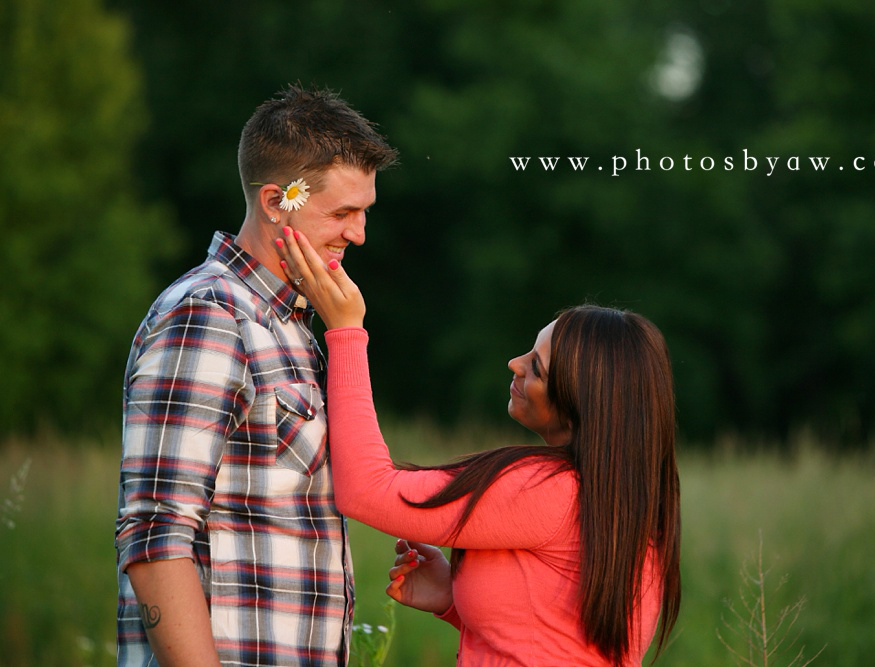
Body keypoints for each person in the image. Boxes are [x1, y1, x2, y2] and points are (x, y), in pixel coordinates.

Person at [274, 232, 682, 666]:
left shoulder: (547, 490)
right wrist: (454, 599)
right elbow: (565, 642)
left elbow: (367, 490)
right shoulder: (628, 505)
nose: (515, 364)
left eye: (537, 368)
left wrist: (345, 331)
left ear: (579, 405)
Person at [115, 85, 398, 666]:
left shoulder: (292, 324)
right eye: (341, 213)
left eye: (364, 211)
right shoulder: (210, 316)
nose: (359, 233)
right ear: (276, 201)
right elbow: (155, 533)